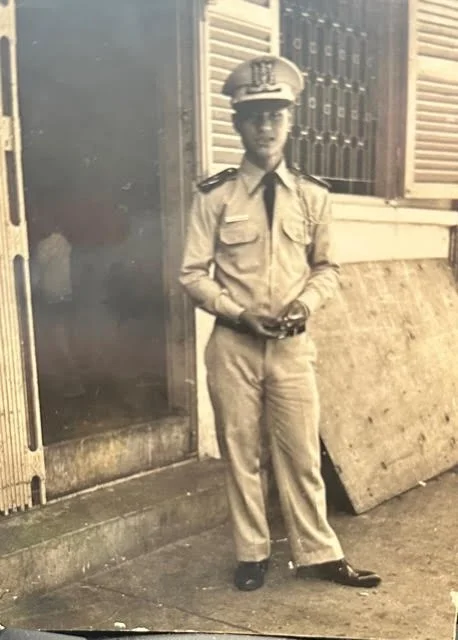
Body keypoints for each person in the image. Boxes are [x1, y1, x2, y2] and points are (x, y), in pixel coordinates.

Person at [179, 55, 381, 592]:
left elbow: (328, 268)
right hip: (234, 347)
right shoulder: (215, 196)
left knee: (300, 453)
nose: (265, 127)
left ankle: (318, 553)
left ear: (291, 122)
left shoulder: (314, 195)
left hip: (292, 348)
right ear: (237, 125)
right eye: (254, 116)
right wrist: (237, 310)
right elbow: (192, 274)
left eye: (275, 115)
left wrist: (306, 305)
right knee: (241, 453)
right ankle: (252, 553)